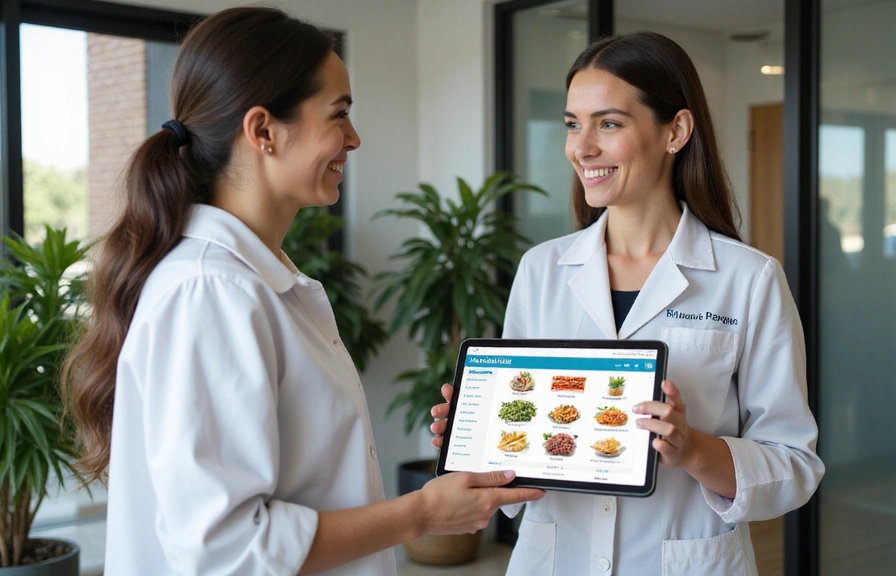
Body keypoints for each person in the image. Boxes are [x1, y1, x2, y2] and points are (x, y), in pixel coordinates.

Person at [61, 7, 543, 576]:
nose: (354, 138)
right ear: (263, 130)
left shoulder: (255, 280)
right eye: (338, 115)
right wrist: (421, 514)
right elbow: (229, 547)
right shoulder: (210, 292)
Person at [432, 32, 823, 576]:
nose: (581, 147)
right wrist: (481, 435)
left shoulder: (749, 279)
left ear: (676, 132)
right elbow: (530, 451)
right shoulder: (541, 270)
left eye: (608, 123)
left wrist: (693, 451)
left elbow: (794, 466)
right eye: (573, 123)